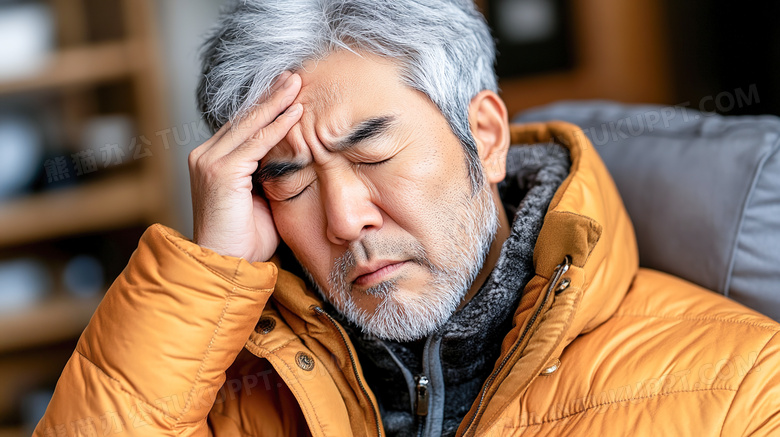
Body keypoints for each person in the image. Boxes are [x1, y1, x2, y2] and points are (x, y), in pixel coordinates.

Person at [35, 1, 780, 436]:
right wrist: (207, 276)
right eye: (287, 175)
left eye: (372, 151)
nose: (344, 219)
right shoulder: (225, 391)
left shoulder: (743, 384)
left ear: (484, 137)